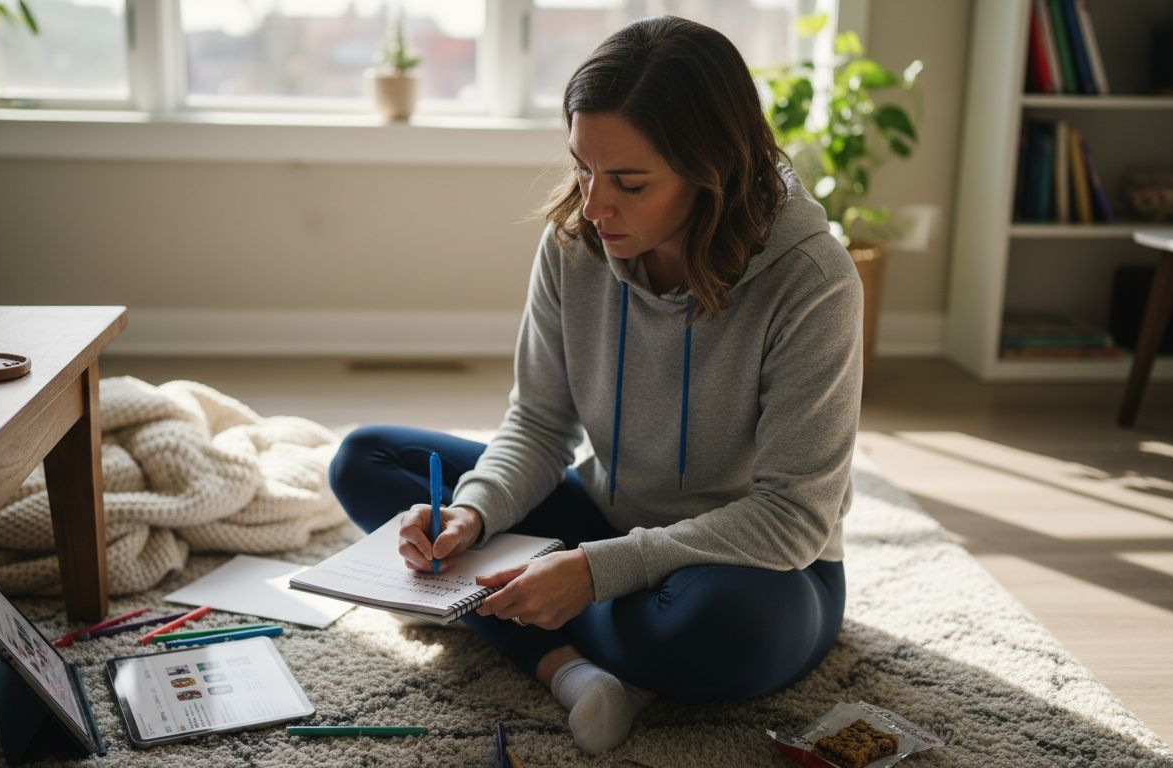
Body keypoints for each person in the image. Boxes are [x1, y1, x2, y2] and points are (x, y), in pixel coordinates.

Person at [329, 15, 862, 754]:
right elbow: (540, 423)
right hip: (604, 517)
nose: (593, 204)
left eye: (629, 183)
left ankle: (496, 612)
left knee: (720, 633)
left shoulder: (812, 279)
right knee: (366, 460)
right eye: (583, 167)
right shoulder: (575, 242)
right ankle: (572, 668)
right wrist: (474, 516)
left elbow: (793, 517)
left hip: (747, 567)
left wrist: (594, 571)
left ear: (712, 169)